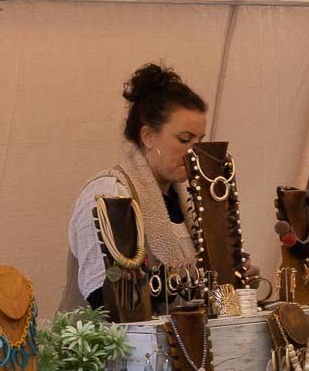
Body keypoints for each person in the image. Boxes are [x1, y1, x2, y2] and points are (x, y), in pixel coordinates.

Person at [63, 62, 256, 313]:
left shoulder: (193, 200)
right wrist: (183, 279)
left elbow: (203, 288)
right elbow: (104, 298)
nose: (194, 150)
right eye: (184, 139)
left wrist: (233, 279)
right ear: (148, 136)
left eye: (200, 140)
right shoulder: (109, 194)